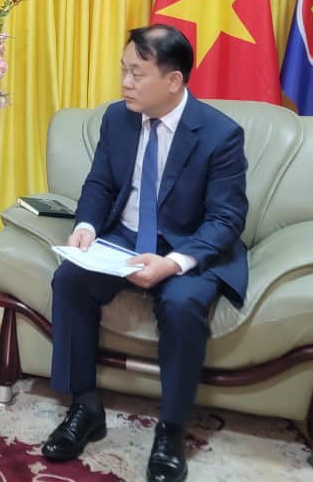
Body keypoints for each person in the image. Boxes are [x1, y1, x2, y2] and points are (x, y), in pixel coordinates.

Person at [42, 24, 248, 482]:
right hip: (126, 235)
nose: (125, 83)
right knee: (70, 279)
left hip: (187, 245)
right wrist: (86, 227)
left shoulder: (220, 135)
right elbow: (100, 184)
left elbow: (226, 219)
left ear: (173, 81)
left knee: (182, 304)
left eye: (137, 73)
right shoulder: (117, 119)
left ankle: (171, 430)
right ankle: (84, 406)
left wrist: (173, 264)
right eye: (123, 70)